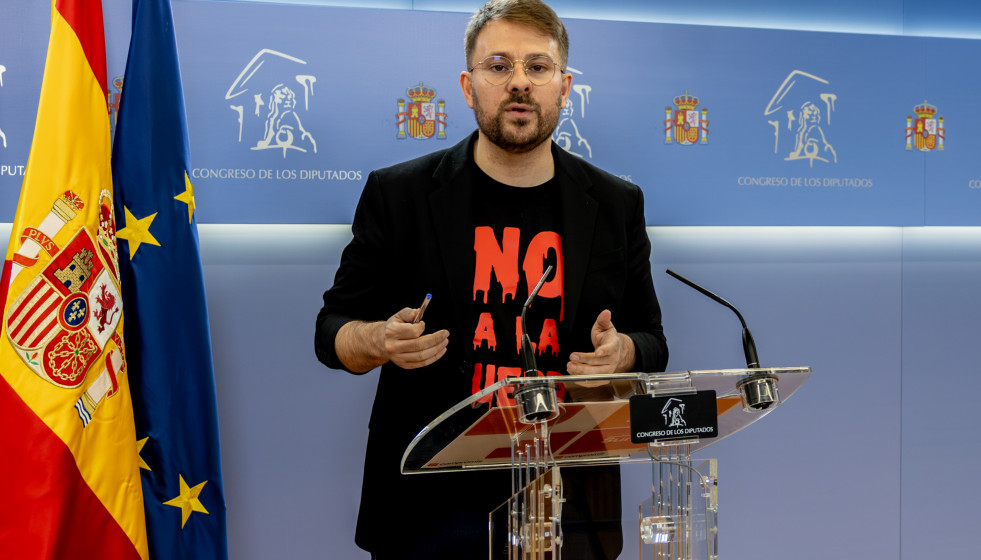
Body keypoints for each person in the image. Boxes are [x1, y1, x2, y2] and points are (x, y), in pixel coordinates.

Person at [315, 0, 668, 557]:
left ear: (565, 85)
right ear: (468, 84)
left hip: (568, 499)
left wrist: (623, 353)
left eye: (537, 67)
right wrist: (378, 339)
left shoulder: (615, 204)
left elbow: (651, 340)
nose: (519, 83)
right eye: (499, 66)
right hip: (431, 501)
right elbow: (331, 333)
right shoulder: (399, 195)